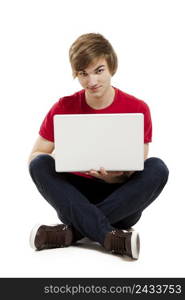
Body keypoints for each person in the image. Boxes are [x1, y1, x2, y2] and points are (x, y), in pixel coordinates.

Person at [28, 33, 169, 260]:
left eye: (99, 70)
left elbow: (138, 168)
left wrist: (112, 178)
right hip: (75, 197)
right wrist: (67, 158)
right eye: (83, 74)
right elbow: (35, 155)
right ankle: (110, 236)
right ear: (76, 74)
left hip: (120, 199)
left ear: (111, 67)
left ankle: (71, 233)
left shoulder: (138, 108)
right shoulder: (63, 107)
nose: (91, 81)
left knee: (158, 168)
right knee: (40, 163)